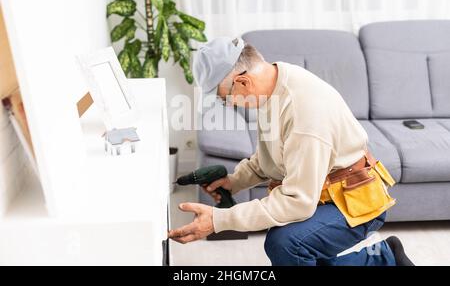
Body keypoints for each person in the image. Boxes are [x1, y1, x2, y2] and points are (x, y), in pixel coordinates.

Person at [168, 37, 414, 266]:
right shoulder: (274, 86)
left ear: (242, 82)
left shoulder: (302, 111)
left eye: (225, 99)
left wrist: (218, 220)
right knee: (294, 247)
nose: (228, 105)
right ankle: (385, 259)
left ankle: (384, 260)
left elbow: (298, 202)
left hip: (355, 201)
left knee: (287, 243)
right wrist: (233, 182)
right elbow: (269, 161)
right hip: (323, 194)